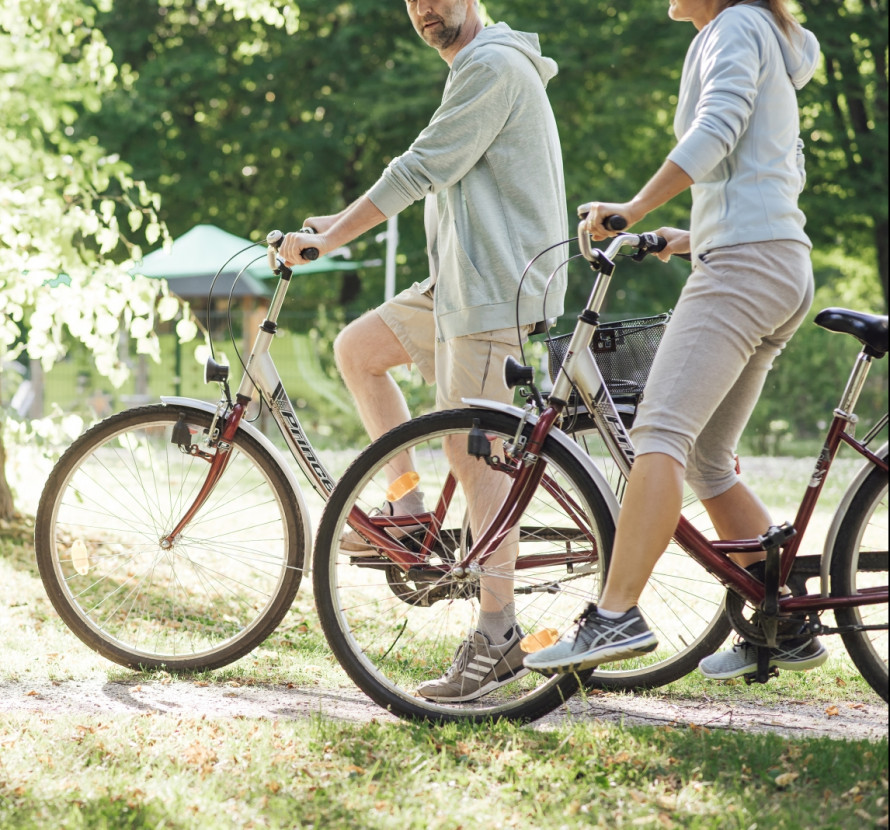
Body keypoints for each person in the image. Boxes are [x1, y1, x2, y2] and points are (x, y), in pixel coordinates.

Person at [524, 0, 825, 681]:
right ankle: (789, 624)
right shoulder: (761, 35)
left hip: (747, 267)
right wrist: (684, 236)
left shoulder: (736, 26)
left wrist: (632, 208)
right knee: (709, 461)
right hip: (775, 260)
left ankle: (616, 616)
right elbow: (765, 169)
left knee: (659, 431)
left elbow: (716, 131)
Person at [279, 0, 568, 700]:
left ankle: (499, 630)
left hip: (496, 291)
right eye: (413, 0)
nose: (426, 9)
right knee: (359, 349)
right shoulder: (476, 65)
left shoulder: (492, 66)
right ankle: (407, 511)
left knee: (474, 457)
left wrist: (330, 239)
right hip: (457, 285)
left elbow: (416, 171)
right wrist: (336, 223)